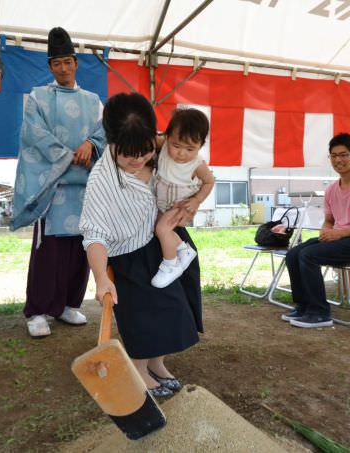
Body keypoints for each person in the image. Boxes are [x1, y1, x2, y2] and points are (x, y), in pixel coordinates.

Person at [79, 92, 203, 397]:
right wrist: (101, 278)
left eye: (145, 151)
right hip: (131, 256)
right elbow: (94, 234)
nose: (138, 160)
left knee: (175, 308)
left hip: (167, 243)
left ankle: (157, 365)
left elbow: (195, 172)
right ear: (111, 142)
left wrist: (194, 202)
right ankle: (138, 368)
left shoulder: (165, 148)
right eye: (128, 155)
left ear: (155, 137)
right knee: (147, 319)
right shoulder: (101, 180)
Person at [10, 27, 106, 338]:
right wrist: (66, 155)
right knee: (49, 251)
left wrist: (91, 143)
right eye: (56, 64)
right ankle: (37, 310)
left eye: (67, 62)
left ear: (76, 63)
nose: (63, 68)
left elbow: (105, 133)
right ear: (50, 67)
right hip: (53, 186)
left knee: (81, 249)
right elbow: (33, 134)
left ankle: (67, 304)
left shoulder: (93, 102)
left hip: (86, 189)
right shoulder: (38, 97)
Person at [282, 133, 350, 328]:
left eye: (344, 154)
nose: (338, 160)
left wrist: (339, 233)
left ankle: (320, 313)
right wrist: (326, 230)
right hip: (338, 238)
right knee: (294, 254)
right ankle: (304, 306)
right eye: (334, 155)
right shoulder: (331, 189)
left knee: (308, 255)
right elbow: (329, 220)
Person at [151, 109, 214, 288]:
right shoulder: (163, 145)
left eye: (190, 149)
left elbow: (209, 182)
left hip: (179, 205)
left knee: (162, 230)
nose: (181, 153)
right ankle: (183, 249)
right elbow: (148, 139)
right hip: (160, 204)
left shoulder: (197, 165)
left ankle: (170, 264)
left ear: (201, 145)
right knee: (158, 227)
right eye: (176, 146)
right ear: (168, 136)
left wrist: (197, 201)